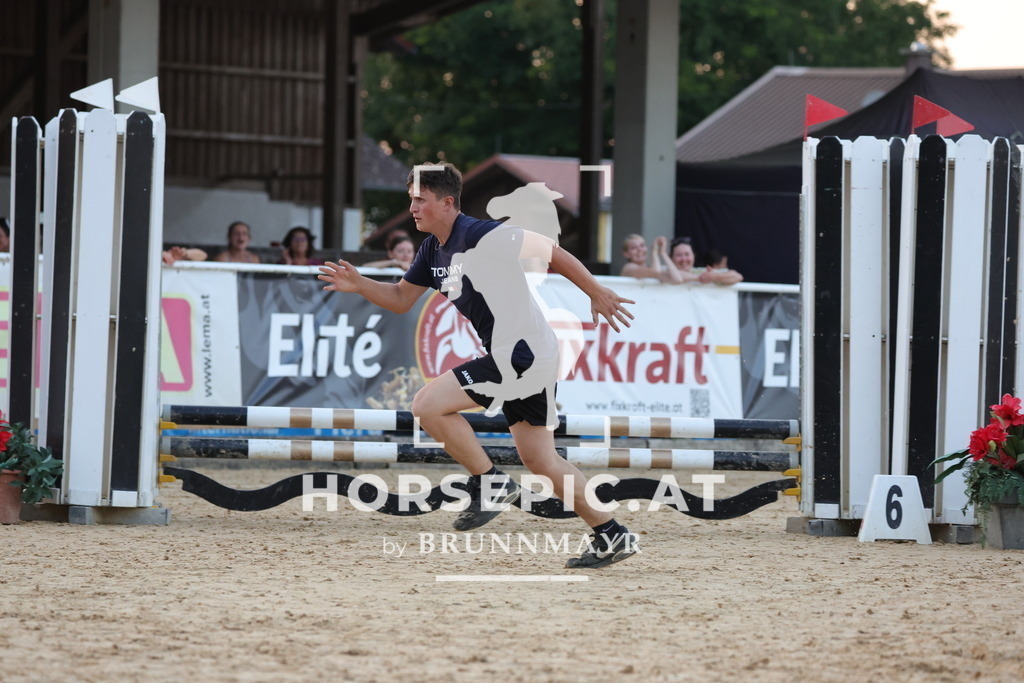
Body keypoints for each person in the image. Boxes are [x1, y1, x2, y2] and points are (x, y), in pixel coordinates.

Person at [318, 162, 640, 569]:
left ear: (448, 202)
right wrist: (361, 284)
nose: (413, 208)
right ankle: (612, 534)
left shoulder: (482, 235)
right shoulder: (432, 250)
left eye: (420, 199)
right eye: (411, 200)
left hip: (523, 354)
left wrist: (596, 291)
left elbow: (550, 251)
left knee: (427, 405)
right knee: (541, 459)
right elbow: (401, 299)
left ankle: (490, 482)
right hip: (523, 355)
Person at [669, 237, 743, 285]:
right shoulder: (664, 271)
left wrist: (714, 276)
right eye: (679, 255)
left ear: (693, 256)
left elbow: (737, 277)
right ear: (671, 258)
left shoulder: (702, 272)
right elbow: (676, 276)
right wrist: (700, 278)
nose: (684, 259)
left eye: (687, 254)